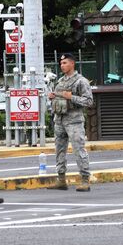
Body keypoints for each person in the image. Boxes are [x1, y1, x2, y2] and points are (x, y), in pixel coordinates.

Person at [48, 53, 94, 192]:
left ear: (72, 64)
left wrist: (72, 97)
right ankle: (61, 179)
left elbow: (89, 101)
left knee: (79, 150)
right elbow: (58, 98)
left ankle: (85, 180)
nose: (62, 66)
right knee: (59, 150)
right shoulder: (60, 81)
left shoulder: (81, 81)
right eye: (61, 63)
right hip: (59, 120)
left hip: (74, 121)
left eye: (65, 63)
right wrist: (53, 97)